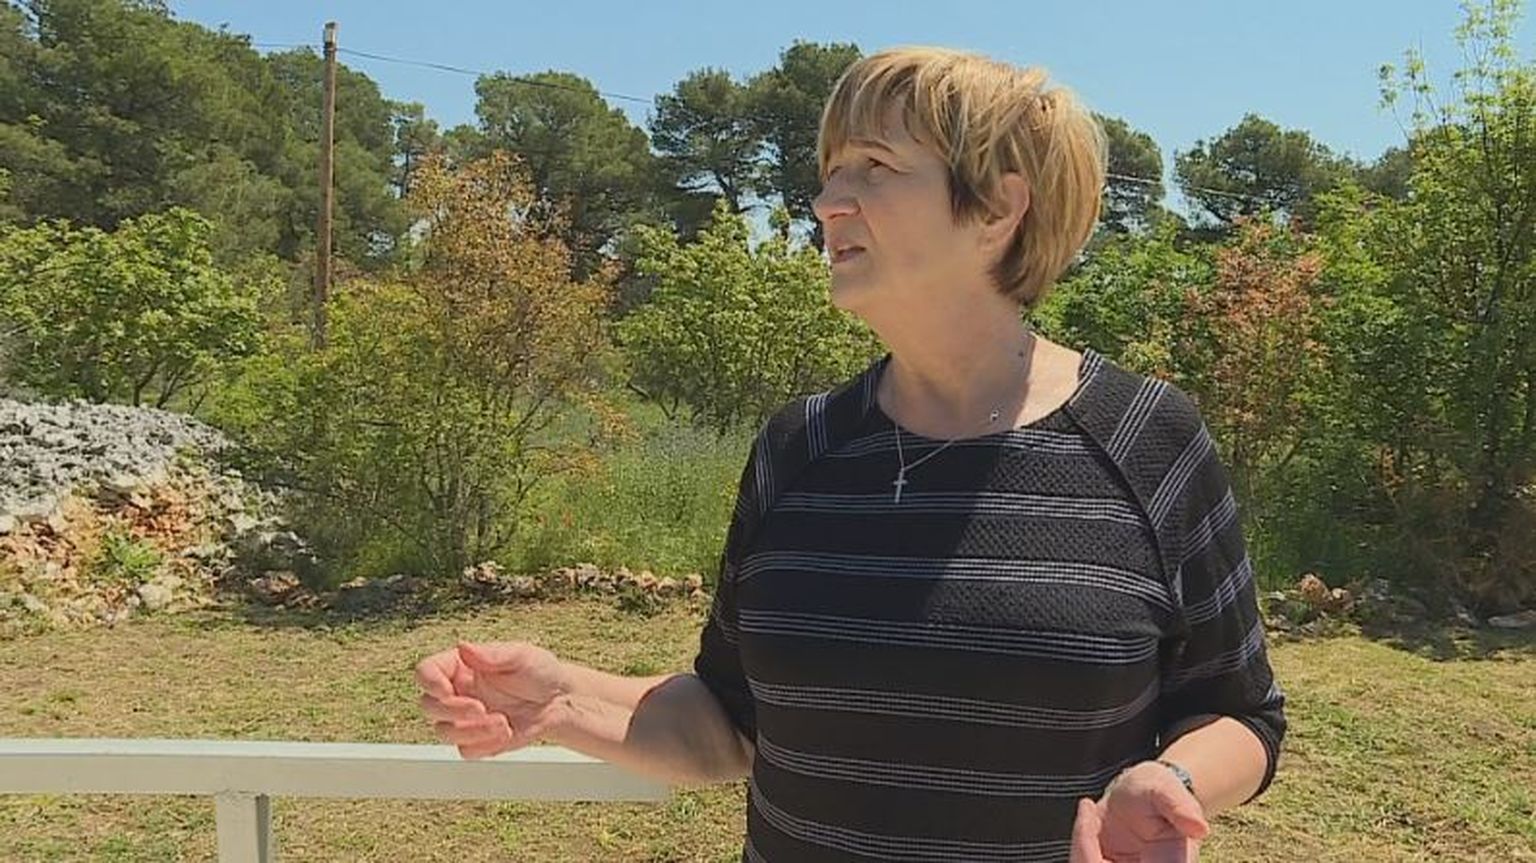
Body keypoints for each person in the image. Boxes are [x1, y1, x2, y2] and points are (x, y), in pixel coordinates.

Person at [415, 45, 1286, 863]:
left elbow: (1242, 713)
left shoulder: (1147, 440)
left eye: (874, 166)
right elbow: (731, 719)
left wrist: (1175, 779)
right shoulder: (798, 446)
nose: (829, 200)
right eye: (831, 170)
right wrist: (561, 698)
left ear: (997, 209)